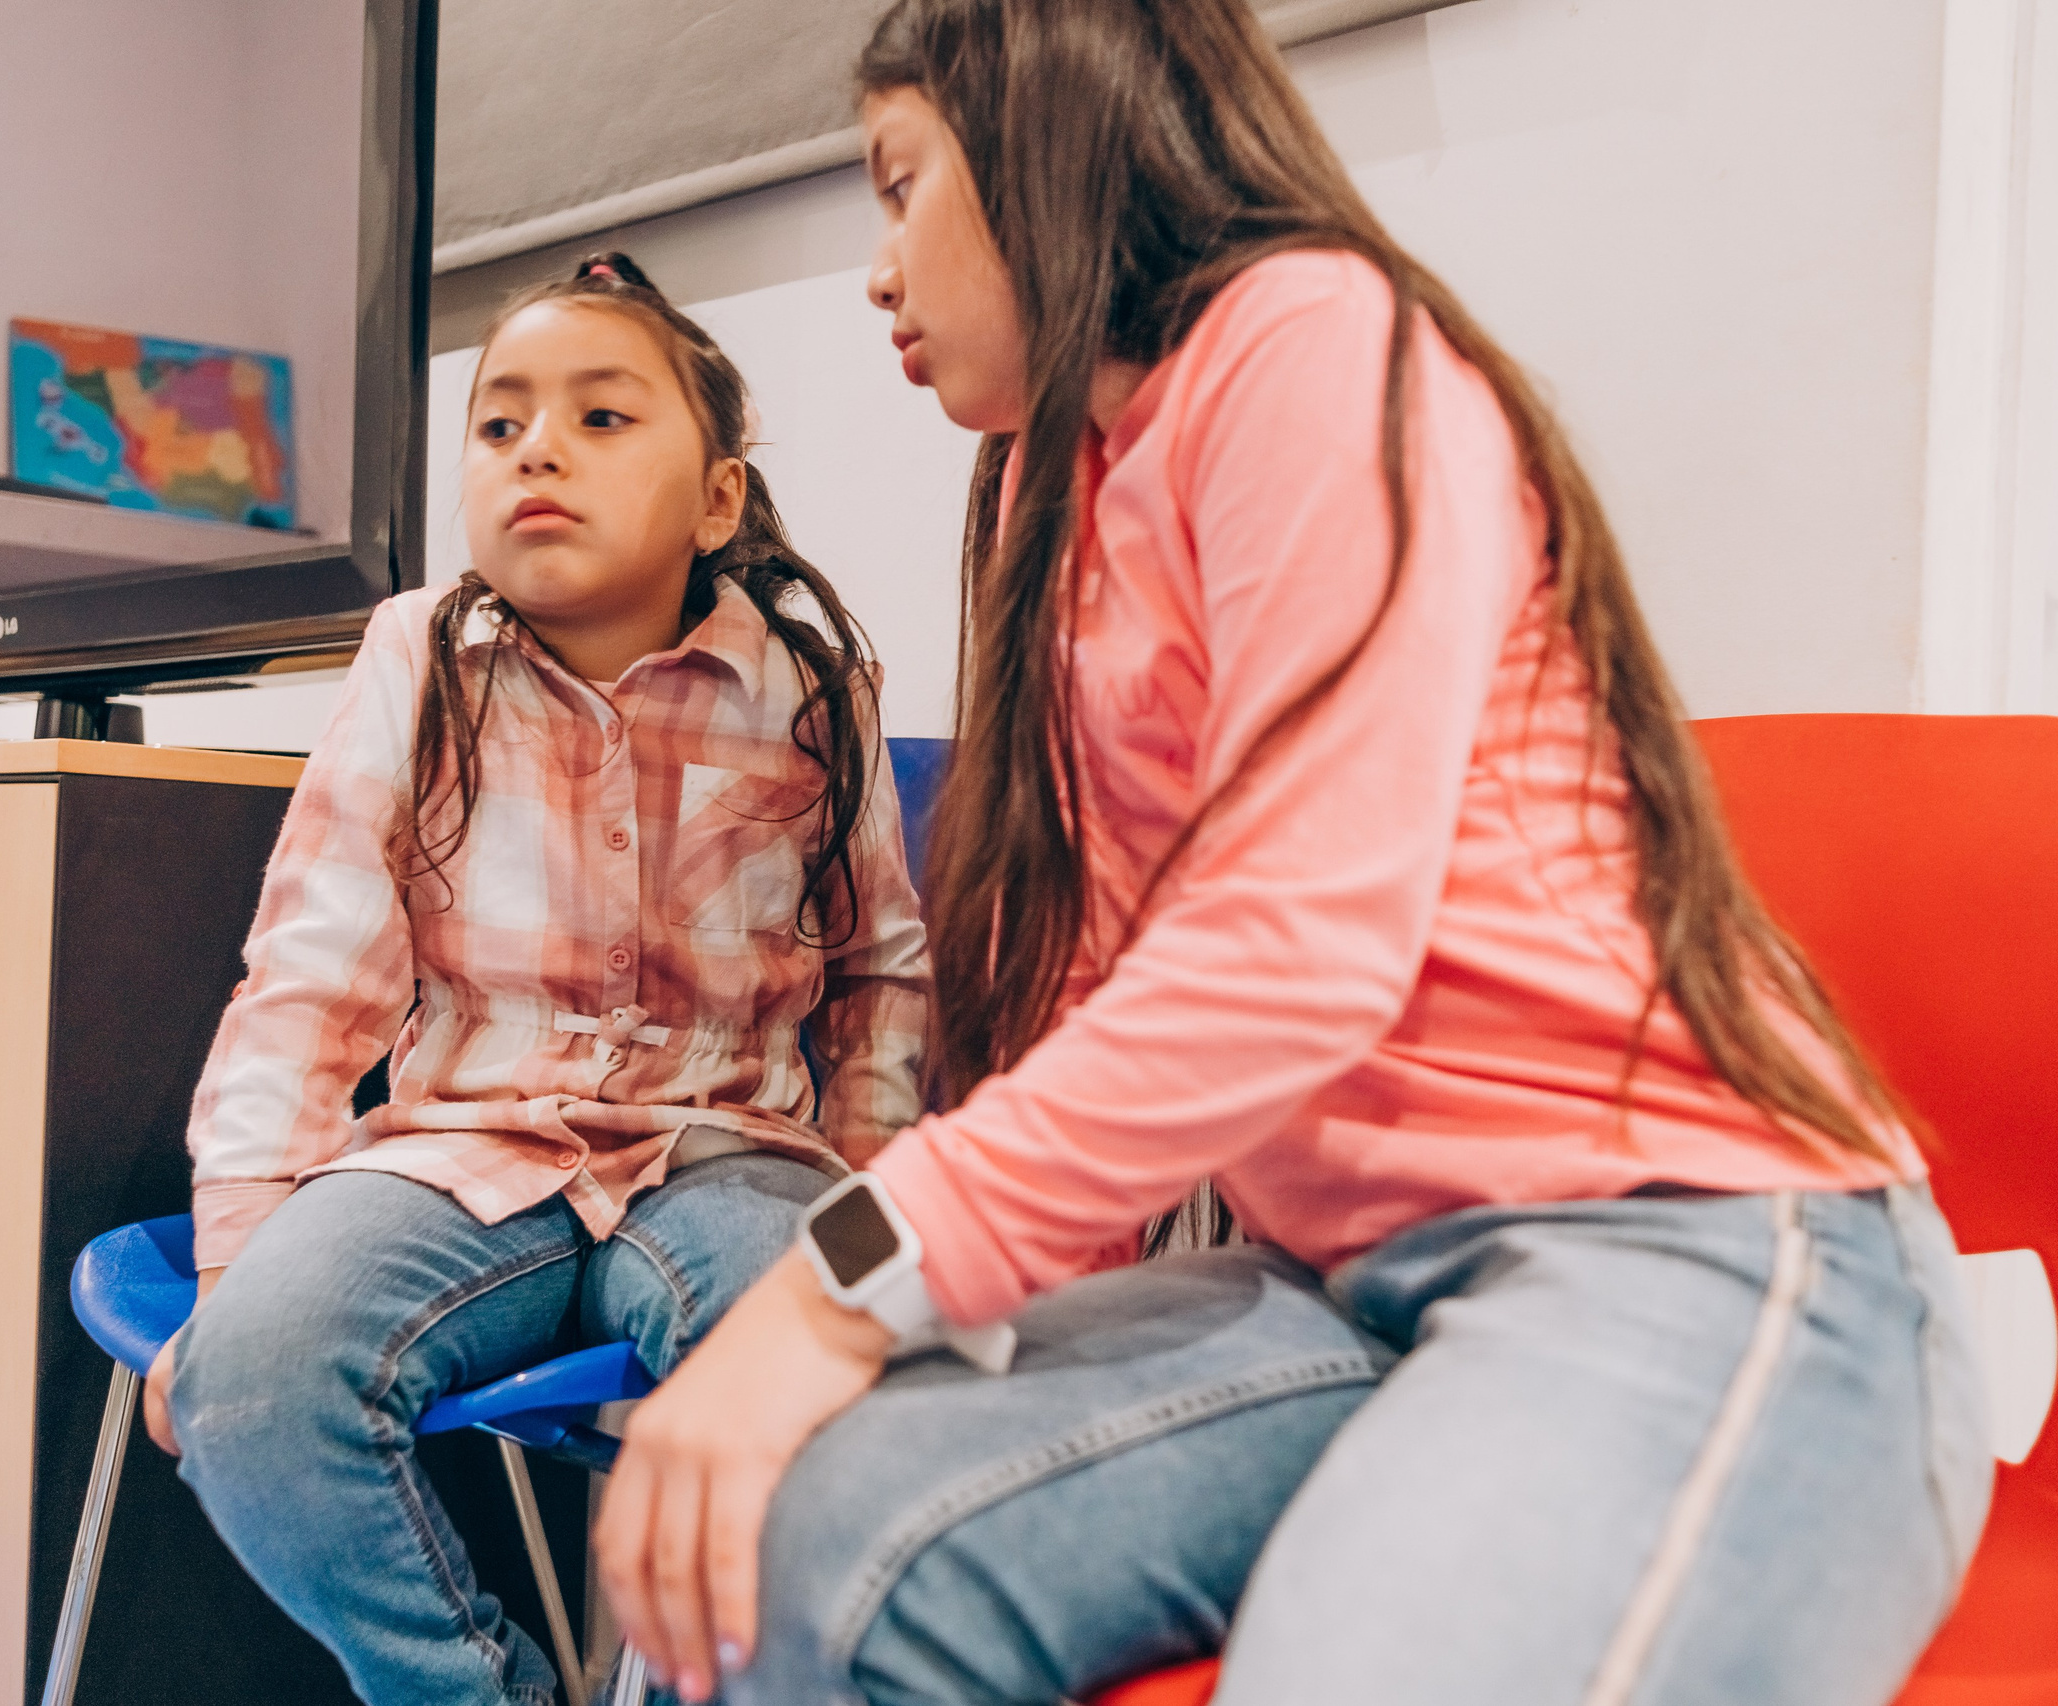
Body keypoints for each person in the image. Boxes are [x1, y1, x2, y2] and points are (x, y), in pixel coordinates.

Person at [592, 4, 1992, 1704]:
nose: (877, 270)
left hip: (1686, 1240)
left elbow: (1291, 956)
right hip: (1345, 1282)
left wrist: (832, 1292)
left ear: (1045, 134)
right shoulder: (1066, 485)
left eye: (899, 187)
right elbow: (1099, 1017)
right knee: (778, 1568)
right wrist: (911, 1323)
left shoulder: (1309, 337)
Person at [153, 253, 930, 1706]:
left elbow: (884, 975)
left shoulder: (814, 685)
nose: (538, 453)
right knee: (243, 1385)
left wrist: (871, 1201)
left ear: (717, 497)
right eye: (499, 424)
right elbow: (309, 974)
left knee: (866, 1356)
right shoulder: (417, 654)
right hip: (461, 1158)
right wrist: (235, 1257)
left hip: (730, 1156)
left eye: (600, 418)